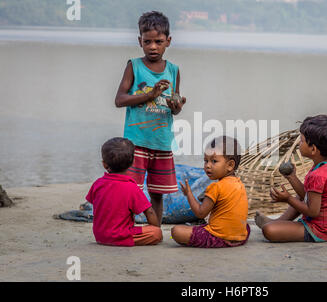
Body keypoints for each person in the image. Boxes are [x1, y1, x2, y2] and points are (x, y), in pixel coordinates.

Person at [114, 11, 186, 225]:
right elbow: (119, 100)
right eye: (147, 42)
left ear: (168, 41)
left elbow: (174, 107)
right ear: (140, 41)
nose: (153, 46)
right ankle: (126, 228)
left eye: (158, 41)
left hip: (162, 142)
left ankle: (155, 231)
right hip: (136, 143)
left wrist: (177, 106)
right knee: (130, 190)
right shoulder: (134, 66)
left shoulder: (173, 70)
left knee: (157, 193)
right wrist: (150, 95)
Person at [255, 115, 327, 243]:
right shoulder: (325, 166)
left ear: (313, 149)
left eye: (302, 141)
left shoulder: (318, 175)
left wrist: (288, 199)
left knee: (269, 230)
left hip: (319, 230)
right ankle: (279, 222)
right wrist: (292, 177)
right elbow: (307, 195)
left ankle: (276, 224)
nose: (298, 144)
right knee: (299, 198)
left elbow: (312, 211)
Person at [171, 136, 250, 248]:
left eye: (214, 161)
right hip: (241, 237)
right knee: (245, 226)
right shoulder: (239, 184)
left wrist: (189, 194)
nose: (207, 165)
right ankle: (233, 236)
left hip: (217, 237)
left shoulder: (216, 187)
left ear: (230, 165)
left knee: (176, 231)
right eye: (205, 160)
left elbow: (200, 213)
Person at [85, 137, 162, 247]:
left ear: (104, 164)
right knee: (156, 233)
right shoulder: (131, 187)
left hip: (100, 235)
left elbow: (95, 202)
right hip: (122, 235)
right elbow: (149, 212)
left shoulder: (98, 183)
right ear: (132, 163)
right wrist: (155, 228)